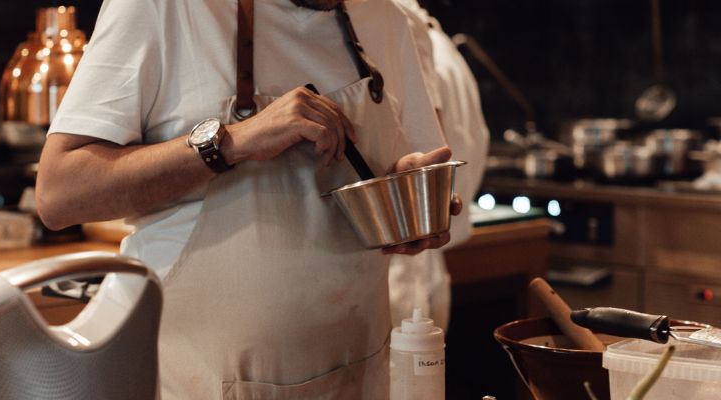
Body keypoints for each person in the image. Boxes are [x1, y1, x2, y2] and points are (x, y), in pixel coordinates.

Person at [36, 0, 463, 398]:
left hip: (358, 369)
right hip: (197, 377)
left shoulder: (386, 18)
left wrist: (408, 195)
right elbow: (61, 195)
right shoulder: (164, 9)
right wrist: (232, 140)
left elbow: (408, 157)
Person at [388, 0, 490, 331]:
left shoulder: (400, 23)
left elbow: (431, 150)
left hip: (401, 270)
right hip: (425, 265)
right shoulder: (443, 43)